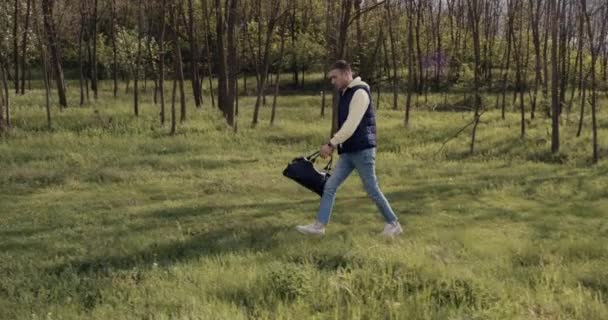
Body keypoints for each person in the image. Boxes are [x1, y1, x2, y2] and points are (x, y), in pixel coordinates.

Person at [296, 60, 402, 237]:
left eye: (335, 77)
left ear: (346, 74)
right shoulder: (345, 93)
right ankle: (319, 227)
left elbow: (351, 124)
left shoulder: (359, 93)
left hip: (362, 151)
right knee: (330, 186)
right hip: (349, 152)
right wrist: (337, 145)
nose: (333, 81)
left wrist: (331, 144)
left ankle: (393, 224)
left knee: (372, 189)